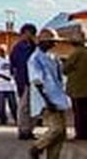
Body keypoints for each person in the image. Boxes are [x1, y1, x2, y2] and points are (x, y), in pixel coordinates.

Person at [28, 27, 71, 157]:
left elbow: (60, 78)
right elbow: (37, 82)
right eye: (51, 41)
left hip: (58, 98)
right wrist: (48, 101)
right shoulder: (35, 59)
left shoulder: (52, 57)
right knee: (56, 129)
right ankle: (37, 147)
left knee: (61, 133)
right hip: (46, 100)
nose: (54, 44)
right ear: (42, 42)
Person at [12, 23, 40, 140]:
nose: (30, 36)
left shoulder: (35, 47)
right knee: (24, 107)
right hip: (24, 81)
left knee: (35, 107)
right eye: (29, 34)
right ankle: (23, 130)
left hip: (35, 81)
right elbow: (17, 64)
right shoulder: (19, 48)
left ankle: (30, 130)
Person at [64, 29, 87, 140]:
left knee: (79, 113)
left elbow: (65, 69)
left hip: (77, 88)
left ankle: (81, 134)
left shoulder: (76, 53)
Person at [0, 44, 18, 125]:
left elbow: (16, 69)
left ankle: (17, 120)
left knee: (14, 105)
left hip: (11, 86)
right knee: (1, 107)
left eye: (3, 50)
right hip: (0, 87)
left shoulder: (11, 59)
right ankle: (3, 121)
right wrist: (0, 75)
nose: (2, 52)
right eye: (0, 51)